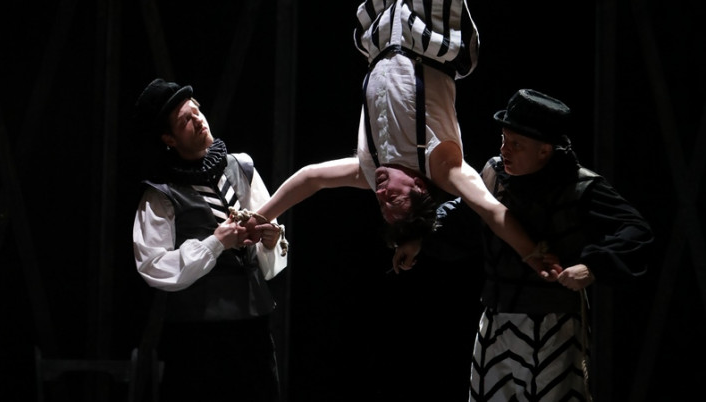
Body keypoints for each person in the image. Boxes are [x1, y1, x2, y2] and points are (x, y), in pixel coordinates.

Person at [257, 0, 550, 275]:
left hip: (384, 31)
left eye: (381, 204)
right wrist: (530, 252)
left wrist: (260, 217)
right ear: (420, 188)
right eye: (393, 198)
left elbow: (311, 178)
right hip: (427, 30)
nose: (380, 194)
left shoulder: (369, 172)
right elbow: (492, 211)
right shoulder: (442, 166)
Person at [468, 89, 654, 401]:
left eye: (516, 144)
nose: (504, 149)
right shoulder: (493, 174)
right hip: (495, 321)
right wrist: (417, 235)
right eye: (503, 139)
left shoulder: (580, 186)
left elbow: (636, 231)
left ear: (545, 150)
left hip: (554, 324)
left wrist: (592, 266)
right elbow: (464, 213)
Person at [131, 78, 288, 402]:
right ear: (169, 138)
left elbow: (268, 252)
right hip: (198, 333)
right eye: (185, 121)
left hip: (252, 325)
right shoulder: (162, 193)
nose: (198, 121)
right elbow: (152, 265)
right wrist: (215, 243)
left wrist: (270, 241)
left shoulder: (240, 168)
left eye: (197, 112)